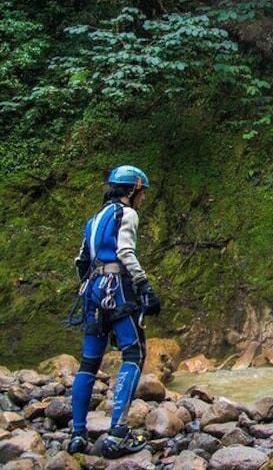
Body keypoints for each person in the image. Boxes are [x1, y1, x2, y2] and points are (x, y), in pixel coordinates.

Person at [66, 165, 161, 458]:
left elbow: (82, 260)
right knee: (134, 354)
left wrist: (90, 288)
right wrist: (144, 286)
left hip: (93, 290)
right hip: (117, 287)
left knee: (88, 363)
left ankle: (77, 434)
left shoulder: (93, 220)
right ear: (132, 189)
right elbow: (125, 253)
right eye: (141, 193)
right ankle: (118, 434)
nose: (142, 199)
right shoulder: (127, 214)